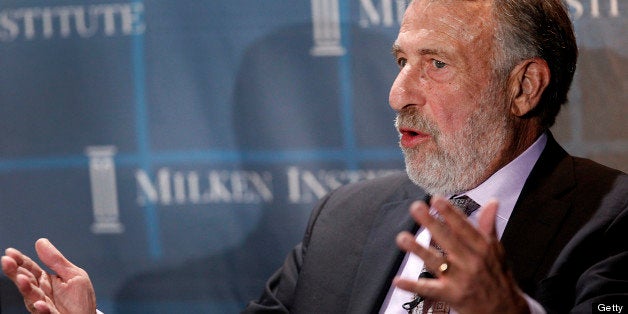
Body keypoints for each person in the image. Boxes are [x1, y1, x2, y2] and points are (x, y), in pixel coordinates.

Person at [2, 0, 627, 313]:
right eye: (400, 62)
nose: (398, 94)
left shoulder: (613, 219)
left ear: (524, 87)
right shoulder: (347, 221)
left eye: (436, 65)